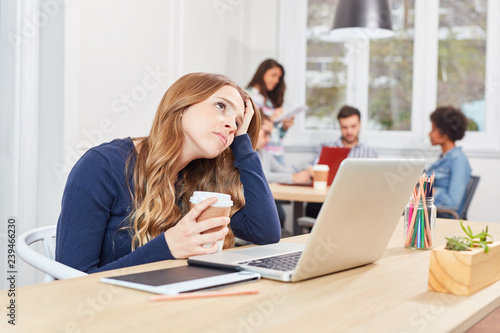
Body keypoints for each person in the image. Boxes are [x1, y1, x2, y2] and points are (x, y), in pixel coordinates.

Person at [56, 73, 281, 273]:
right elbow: (70, 281)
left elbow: (266, 232)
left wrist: (242, 142)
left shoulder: (201, 179)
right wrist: (167, 248)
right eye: (221, 106)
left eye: (238, 122)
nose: (231, 125)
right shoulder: (102, 166)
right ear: (182, 106)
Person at [306, 105, 377, 218]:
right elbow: (311, 169)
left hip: (355, 200)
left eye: (353, 126)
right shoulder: (327, 146)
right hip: (326, 199)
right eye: (344, 127)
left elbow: (375, 182)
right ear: (339, 126)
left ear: (360, 125)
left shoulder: (369, 151)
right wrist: (313, 171)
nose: (349, 131)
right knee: (313, 207)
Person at [257, 111, 313, 229]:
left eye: (269, 135)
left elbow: (283, 171)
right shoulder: (242, 154)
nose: (268, 140)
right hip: (251, 206)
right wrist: (293, 178)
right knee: (278, 215)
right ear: (253, 127)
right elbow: (261, 175)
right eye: (265, 133)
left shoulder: (263, 154)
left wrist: (304, 172)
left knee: (280, 216)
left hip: (265, 202)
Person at [246, 59, 293, 165]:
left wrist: (284, 128)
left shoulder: (269, 102)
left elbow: (275, 134)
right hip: (262, 154)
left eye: (279, 78)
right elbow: (249, 128)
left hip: (277, 154)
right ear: (262, 73)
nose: (276, 80)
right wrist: (271, 118)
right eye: (273, 75)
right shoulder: (247, 96)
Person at [426, 106, 471, 216]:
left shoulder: (459, 160)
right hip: (429, 214)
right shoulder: (444, 158)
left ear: (443, 132)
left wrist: (426, 189)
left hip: (441, 218)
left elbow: (452, 204)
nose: (429, 134)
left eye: (433, 129)